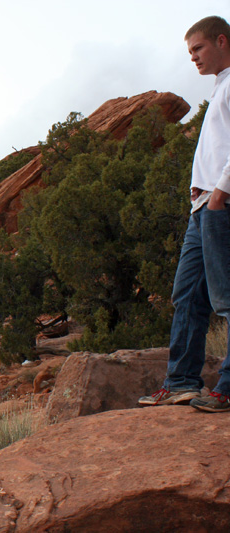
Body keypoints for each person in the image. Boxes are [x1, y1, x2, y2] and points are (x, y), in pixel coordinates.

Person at [138, 16, 230, 413]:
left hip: (219, 203)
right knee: (188, 295)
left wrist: (221, 192)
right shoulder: (221, 87)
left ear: (222, 40)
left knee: (226, 299)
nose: (192, 57)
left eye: (198, 48)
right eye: (189, 52)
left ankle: (226, 387)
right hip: (201, 209)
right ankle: (181, 382)